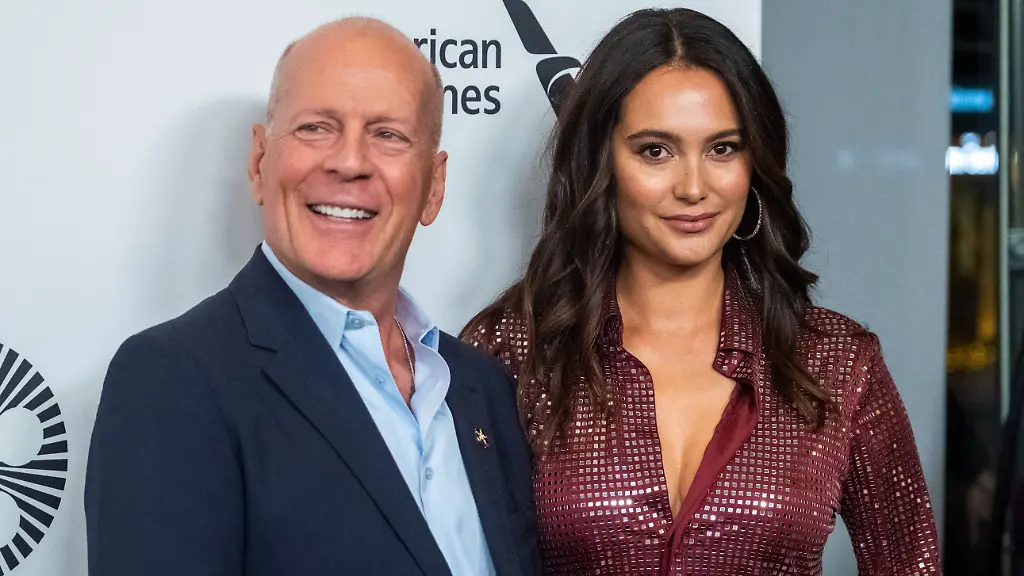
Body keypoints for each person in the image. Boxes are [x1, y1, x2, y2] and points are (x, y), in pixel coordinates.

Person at [462, 8, 941, 575]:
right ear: (600, 161)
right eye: (655, 150)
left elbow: (911, 563)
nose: (693, 187)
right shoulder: (514, 349)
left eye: (722, 149)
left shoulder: (835, 361)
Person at [85, 17, 540, 576]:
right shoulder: (172, 380)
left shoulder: (483, 386)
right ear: (258, 162)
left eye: (388, 135)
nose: (349, 162)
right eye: (315, 128)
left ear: (434, 186)